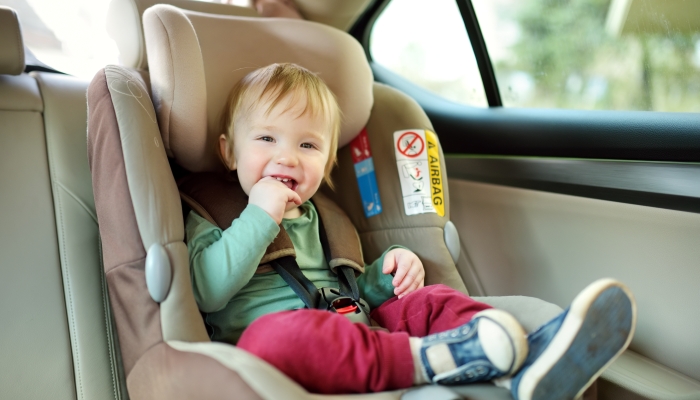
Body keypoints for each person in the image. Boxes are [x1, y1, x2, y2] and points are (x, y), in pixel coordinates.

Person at [185, 63, 636, 399]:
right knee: (275, 335)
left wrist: (386, 274)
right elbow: (207, 290)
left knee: (428, 300)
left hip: (362, 329)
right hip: (283, 354)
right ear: (229, 152)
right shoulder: (212, 213)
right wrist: (260, 216)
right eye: (266, 139)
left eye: (307, 145)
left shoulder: (324, 218)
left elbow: (346, 291)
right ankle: (435, 359)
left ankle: (521, 356)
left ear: (325, 165)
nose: (287, 157)